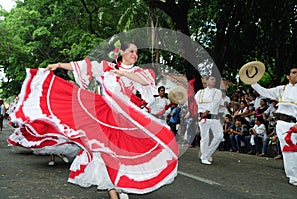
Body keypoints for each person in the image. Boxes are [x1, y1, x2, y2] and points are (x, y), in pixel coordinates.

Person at [9, 41, 178, 199]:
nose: (135, 54)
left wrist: (123, 73)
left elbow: (145, 81)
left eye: (136, 52)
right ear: (121, 53)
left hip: (127, 117)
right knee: (103, 153)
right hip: (103, 114)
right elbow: (83, 67)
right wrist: (59, 65)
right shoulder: (105, 67)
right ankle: (113, 192)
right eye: (131, 51)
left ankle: (121, 184)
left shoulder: (139, 71)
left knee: (125, 152)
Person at [240, 62, 297, 186]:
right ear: (288, 76)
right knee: (289, 150)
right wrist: (252, 81)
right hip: (283, 124)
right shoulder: (281, 89)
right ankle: (293, 176)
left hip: (296, 124)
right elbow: (264, 92)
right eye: (294, 72)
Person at [195, 76, 223, 165]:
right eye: (211, 79)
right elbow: (194, 103)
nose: (214, 80)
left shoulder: (217, 92)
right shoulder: (200, 92)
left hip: (213, 117)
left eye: (214, 79)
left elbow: (214, 103)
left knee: (219, 136)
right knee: (205, 137)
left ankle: (208, 153)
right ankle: (204, 157)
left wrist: (206, 112)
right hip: (203, 118)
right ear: (206, 81)